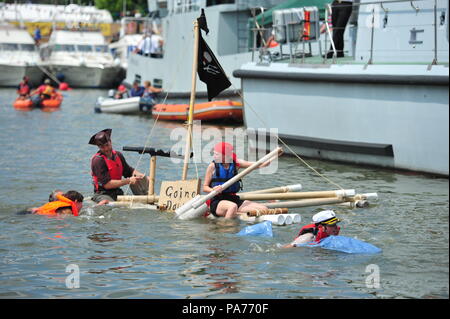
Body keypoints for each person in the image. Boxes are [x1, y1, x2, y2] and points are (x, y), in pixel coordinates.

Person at [202, 142, 274, 219]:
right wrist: (213, 189)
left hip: (233, 199)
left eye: (217, 154)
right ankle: (225, 227)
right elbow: (205, 188)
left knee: (264, 209)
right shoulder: (212, 166)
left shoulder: (235, 163)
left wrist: (267, 161)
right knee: (232, 207)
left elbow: (257, 164)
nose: (214, 156)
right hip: (217, 200)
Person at [89, 128, 148, 205]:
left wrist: (144, 177)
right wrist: (128, 181)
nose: (106, 149)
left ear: (110, 142)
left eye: (107, 145)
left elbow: (129, 171)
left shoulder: (118, 155)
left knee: (140, 180)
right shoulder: (98, 160)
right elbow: (107, 185)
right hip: (102, 194)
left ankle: (147, 201)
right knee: (107, 203)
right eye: (102, 147)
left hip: (117, 192)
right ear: (99, 147)